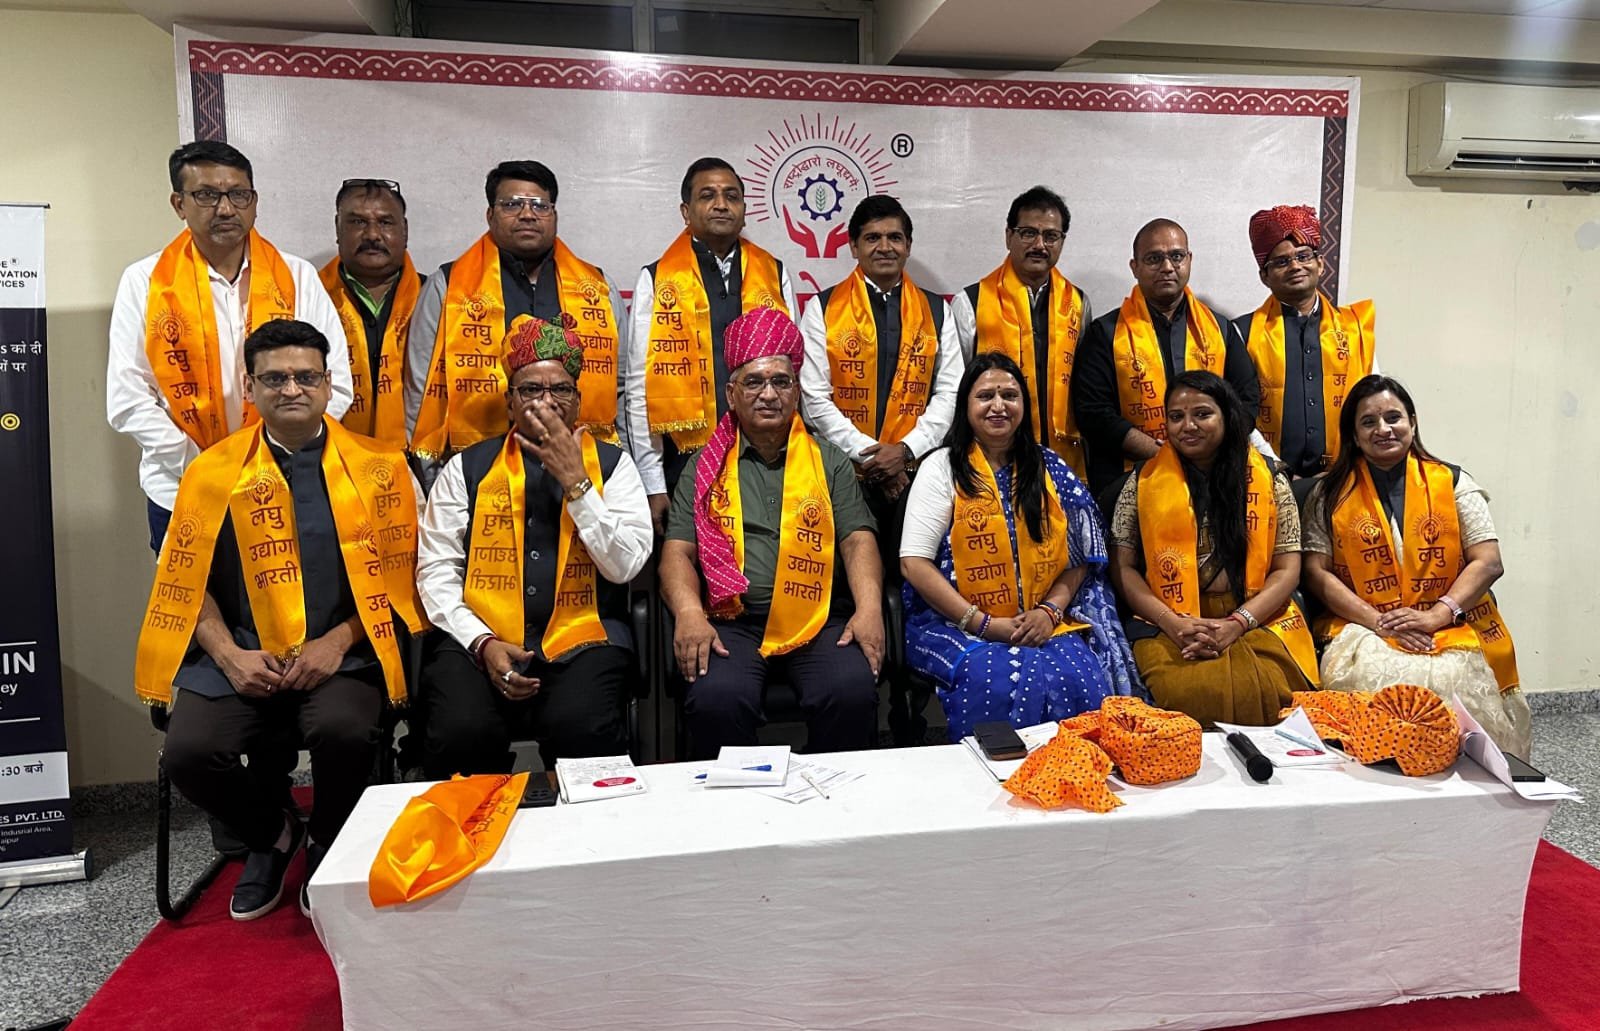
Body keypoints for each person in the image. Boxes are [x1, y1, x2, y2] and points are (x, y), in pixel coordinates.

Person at [133, 319, 425, 920]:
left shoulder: (379, 467)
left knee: (345, 730)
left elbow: (403, 582)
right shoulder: (210, 471)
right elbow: (184, 582)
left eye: (306, 377)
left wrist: (336, 642)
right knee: (189, 752)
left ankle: (328, 842)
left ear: (328, 384)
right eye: (275, 378)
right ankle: (273, 834)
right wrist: (227, 655)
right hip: (240, 653)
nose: (292, 388)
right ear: (250, 386)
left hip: (345, 654)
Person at [416, 317, 653, 777]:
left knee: (582, 729)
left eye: (560, 389)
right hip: (480, 638)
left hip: (584, 639)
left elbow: (624, 566)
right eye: (530, 390)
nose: (546, 401)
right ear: (509, 401)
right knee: (459, 730)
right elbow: (436, 570)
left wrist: (577, 484)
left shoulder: (614, 467)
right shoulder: (466, 468)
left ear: (578, 400)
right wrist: (482, 643)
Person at [107, 140, 352, 551]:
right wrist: (203, 464)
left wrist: (281, 454)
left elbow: (335, 382)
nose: (225, 209)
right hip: (183, 487)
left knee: (292, 593)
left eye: (238, 195)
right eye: (206, 195)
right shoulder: (145, 281)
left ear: (254, 201)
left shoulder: (297, 276)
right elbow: (128, 397)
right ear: (179, 204)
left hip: (286, 482)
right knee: (193, 595)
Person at [660, 307, 881, 758]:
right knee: (716, 699)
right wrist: (688, 612)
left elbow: (858, 540)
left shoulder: (829, 461)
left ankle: (832, 798)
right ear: (731, 394)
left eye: (781, 382)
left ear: (797, 392)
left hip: (818, 619)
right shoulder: (703, 466)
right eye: (754, 382)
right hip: (732, 622)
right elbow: (677, 554)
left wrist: (870, 609)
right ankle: (744, 803)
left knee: (851, 690)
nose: (768, 394)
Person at [900, 353, 1142, 742]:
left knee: (1076, 673)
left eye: (1009, 395)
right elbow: (914, 564)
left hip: (1042, 619)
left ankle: (1072, 772)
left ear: (1024, 406)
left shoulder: (1049, 467)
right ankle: (997, 776)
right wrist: (983, 623)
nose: (998, 406)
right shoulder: (942, 467)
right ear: (966, 406)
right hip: (953, 622)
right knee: (994, 678)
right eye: (985, 396)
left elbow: (1081, 557)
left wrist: (1050, 611)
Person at [1301, 375, 1530, 757]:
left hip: (1449, 618)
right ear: (1354, 434)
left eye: (1393, 417)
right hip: (1365, 623)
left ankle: (1467, 778)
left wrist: (1437, 615)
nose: (1383, 429)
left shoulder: (1453, 483)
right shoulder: (1328, 493)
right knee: (1373, 672)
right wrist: (1379, 622)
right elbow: (1315, 572)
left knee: (1456, 676)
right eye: (1368, 422)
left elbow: (1488, 562)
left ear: (1412, 422)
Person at [1108, 371, 1318, 727]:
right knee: (1185, 695)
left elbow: (1287, 569)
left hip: (1258, 616)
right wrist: (1172, 623)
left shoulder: (1271, 478)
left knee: (1275, 692)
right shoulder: (1141, 481)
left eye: (1202, 414)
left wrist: (1238, 623)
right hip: (1169, 621)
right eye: (1176, 416)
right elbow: (1122, 567)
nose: (1188, 426)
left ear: (1227, 416)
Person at [406, 160, 627, 473]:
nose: (527, 214)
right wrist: (431, 477)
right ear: (490, 215)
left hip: (583, 464)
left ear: (554, 215)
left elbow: (622, 390)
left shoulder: (599, 288)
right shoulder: (447, 286)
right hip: (476, 470)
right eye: (511, 204)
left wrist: (623, 472)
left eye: (540, 205)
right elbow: (420, 390)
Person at [626, 156, 800, 533]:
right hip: (683, 460)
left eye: (731, 196)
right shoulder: (656, 279)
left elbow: (794, 373)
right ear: (686, 211)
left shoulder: (775, 274)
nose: (721, 204)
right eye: (708, 196)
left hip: (766, 456)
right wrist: (653, 483)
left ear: (744, 210)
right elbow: (640, 388)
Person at [798, 194, 962, 576]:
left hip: (917, 472)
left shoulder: (937, 311)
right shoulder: (822, 308)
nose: (885, 247)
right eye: (872, 238)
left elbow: (950, 392)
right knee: (847, 578)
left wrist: (905, 451)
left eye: (895, 237)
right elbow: (813, 398)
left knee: (915, 572)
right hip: (841, 471)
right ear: (853, 246)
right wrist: (872, 457)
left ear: (908, 246)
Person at [1071, 219, 1264, 500]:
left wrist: (1207, 450)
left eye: (1176, 256)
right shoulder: (1106, 333)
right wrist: (1161, 454)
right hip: (1130, 481)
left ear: (1189, 260)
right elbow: (1093, 413)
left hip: (1214, 479)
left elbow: (1247, 399)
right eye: (1154, 258)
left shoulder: (1220, 329)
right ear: (1134, 267)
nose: (1167, 267)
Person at [951, 185, 1092, 479]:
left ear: (1062, 241)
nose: (1039, 244)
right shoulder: (972, 302)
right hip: (990, 457)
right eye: (1028, 233)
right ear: (1008, 236)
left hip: (1063, 459)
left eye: (1051, 236)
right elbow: (957, 389)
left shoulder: (1078, 304)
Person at [1235, 205, 1376, 480]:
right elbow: (1237, 414)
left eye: (1303, 256)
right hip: (1267, 480)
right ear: (1264, 276)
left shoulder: (1356, 328)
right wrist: (1278, 471)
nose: (1295, 266)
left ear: (1320, 264)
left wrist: (1346, 469)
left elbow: (1373, 404)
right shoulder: (1242, 333)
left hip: (1345, 477)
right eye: (1281, 261)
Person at [319, 178, 425, 450]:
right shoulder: (311, 296)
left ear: (405, 230)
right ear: (337, 228)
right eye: (357, 222)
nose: (372, 235)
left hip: (420, 455)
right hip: (329, 453)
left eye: (386, 222)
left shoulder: (437, 297)